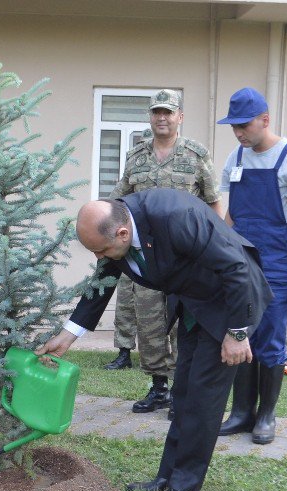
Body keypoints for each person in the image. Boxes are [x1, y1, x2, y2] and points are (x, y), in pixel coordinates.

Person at [38, 190, 271, 491]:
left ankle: (184, 488)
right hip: (194, 303)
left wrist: (237, 332)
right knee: (183, 394)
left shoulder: (176, 217)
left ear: (122, 233)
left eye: (102, 250)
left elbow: (235, 268)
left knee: (203, 399)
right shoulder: (119, 227)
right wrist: (69, 335)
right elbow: (103, 282)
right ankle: (168, 476)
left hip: (229, 303)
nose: (100, 258)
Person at [106, 89, 225, 418]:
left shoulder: (196, 155)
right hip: (146, 256)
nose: (162, 118)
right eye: (157, 112)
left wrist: (213, 245)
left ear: (179, 118)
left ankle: (179, 389)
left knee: (180, 325)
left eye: (168, 113)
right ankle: (158, 387)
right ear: (150, 117)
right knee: (149, 322)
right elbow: (119, 198)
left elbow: (214, 202)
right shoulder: (136, 156)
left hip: (185, 257)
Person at [216, 87, 287, 444]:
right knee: (242, 332)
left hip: (277, 261)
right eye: (234, 127)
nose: (239, 133)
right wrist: (218, 254)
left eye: (244, 125)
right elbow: (230, 216)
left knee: (271, 339)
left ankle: (266, 416)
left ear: (265, 120)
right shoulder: (236, 158)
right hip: (241, 262)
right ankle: (241, 412)